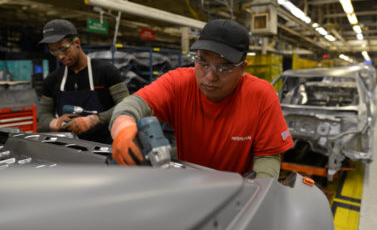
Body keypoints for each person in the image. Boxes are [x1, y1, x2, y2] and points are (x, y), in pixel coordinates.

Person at [109, 19, 293, 178]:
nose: (210, 76)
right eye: (203, 63)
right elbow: (134, 104)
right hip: (190, 188)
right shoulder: (178, 83)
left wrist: (258, 193)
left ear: (242, 68)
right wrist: (124, 128)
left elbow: (268, 157)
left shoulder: (261, 95)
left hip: (236, 195)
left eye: (224, 68)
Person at [37, 19, 129, 144]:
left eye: (63, 49)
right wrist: (55, 123)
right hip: (69, 148)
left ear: (77, 43)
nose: (60, 56)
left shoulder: (106, 72)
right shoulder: (52, 80)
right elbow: (43, 114)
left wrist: (95, 119)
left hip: (106, 146)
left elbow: (126, 105)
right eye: (54, 51)